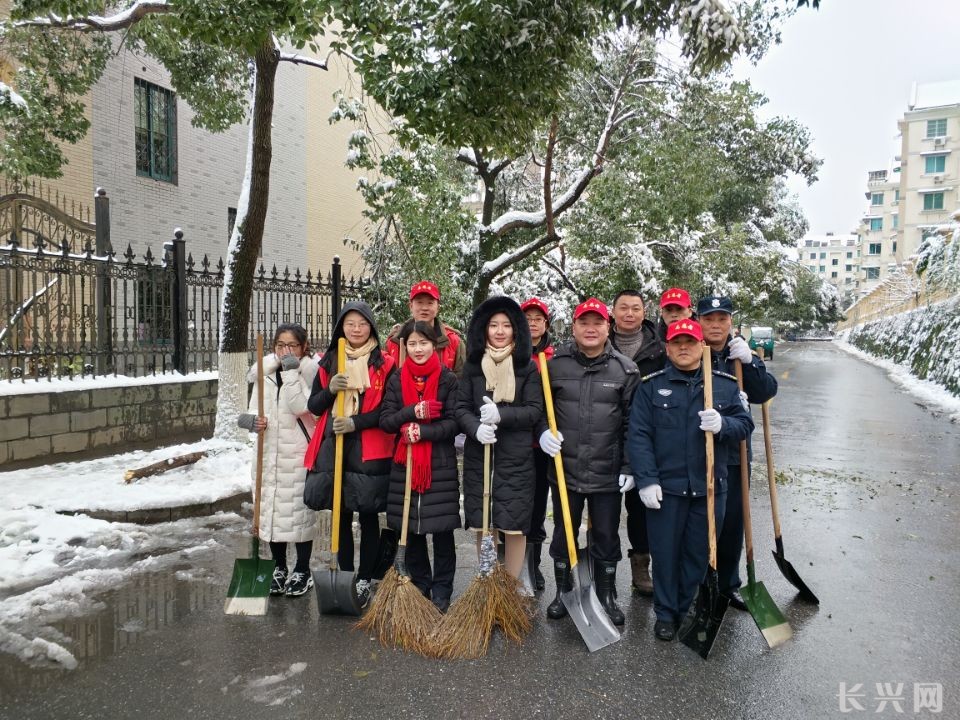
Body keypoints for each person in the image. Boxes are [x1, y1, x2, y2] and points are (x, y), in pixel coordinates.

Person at [626, 319, 754, 640]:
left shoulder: (724, 385)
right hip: (666, 490)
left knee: (698, 554)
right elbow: (638, 436)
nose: (684, 348)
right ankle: (666, 614)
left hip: (710, 488)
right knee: (666, 554)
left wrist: (723, 424)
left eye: (690, 342)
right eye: (677, 343)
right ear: (667, 349)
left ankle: (685, 607)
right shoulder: (651, 386)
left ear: (702, 347)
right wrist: (646, 480)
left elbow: (745, 426)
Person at [539, 298, 640, 626]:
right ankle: (563, 591)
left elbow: (631, 426)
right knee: (562, 534)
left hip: (607, 474)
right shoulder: (554, 367)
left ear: (607, 327)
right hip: (564, 470)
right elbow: (539, 410)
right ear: (574, 327)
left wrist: (628, 467)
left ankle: (606, 594)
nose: (591, 328)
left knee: (607, 537)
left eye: (597, 322)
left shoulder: (626, 370)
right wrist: (542, 432)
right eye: (584, 322)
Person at [303, 302, 396, 608]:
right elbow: (315, 406)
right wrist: (330, 389)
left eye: (362, 324)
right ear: (340, 328)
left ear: (372, 327)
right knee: (341, 514)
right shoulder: (329, 361)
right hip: (336, 448)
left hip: (369, 446)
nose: (356, 330)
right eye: (350, 324)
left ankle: (366, 577)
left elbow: (387, 410)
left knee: (368, 515)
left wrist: (356, 421)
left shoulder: (385, 363)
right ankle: (345, 574)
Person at [697, 295, 778, 612]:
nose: (715, 325)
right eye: (709, 319)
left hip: (734, 453)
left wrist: (751, 363)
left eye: (722, 318)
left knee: (732, 523)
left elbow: (766, 392)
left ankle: (728, 585)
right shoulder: (689, 347)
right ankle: (702, 584)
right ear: (699, 320)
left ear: (730, 321)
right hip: (698, 452)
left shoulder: (741, 354)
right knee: (701, 524)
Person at [456, 297, 543, 588]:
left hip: (515, 457)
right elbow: (460, 408)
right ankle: (487, 584)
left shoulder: (527, 368)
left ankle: (511, 587)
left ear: (516, 330)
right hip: (480, 456)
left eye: (506, 325)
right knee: (485, 522)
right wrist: (475, 428)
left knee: (514, 525)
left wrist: (501, 415)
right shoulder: (472, 367)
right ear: (484, 329)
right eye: (494, 325)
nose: (500, 330)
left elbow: (534, 410)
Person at [380, 319, 461, 612]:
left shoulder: (448, 379)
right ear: (405, 346)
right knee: (410, 528)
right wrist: (410, 413)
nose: (417, 349)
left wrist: (424, 431)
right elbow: (386, 421)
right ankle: (421, 584)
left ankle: (441, 591)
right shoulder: (396, 379)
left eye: (423, 343)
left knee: (441, 531)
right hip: (404, 465)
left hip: (439, 466)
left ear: (435, 344)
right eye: (411, 344)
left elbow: (454, 423)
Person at [243, 323, 319, 598]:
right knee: (272, 514)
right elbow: (250, 412)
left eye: (292, 346)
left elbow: (305, 409)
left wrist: (291, 373)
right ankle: (278, 567)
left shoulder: (310, 373)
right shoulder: (264, 375)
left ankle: (302, 569)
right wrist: (253, 422)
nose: (286, 351)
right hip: (268, 454)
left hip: (297, 454)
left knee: (298, 515)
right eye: (280, 345)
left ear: (303, 347)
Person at [610, 289, 666, 597]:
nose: (629, 313)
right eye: (623, 308)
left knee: (640, 508)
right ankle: (600, 570)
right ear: (614, 312)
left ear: (644, 313)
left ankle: (640, 565)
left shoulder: (659, 350)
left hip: (644, 437)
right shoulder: (598, 342)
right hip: (603, 437)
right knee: (602, 508)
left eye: (636, 308)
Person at [521, 297, 554, 590]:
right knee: (513, 503)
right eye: (527, 318)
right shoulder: (509, 354)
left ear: (546, 324)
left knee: (537, 506)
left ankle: (533, 563)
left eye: (538, 319)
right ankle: (512, 561)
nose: (532, 323)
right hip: (515, 443)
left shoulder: (554, 357)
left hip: (542, 445)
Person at [385, 281, 466, 376]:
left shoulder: (453, 341)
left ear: (438, 308)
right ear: (411, 306)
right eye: (419, 302)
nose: (424, 308)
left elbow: (462, 380)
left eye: (430, 303)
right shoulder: (393, 342)